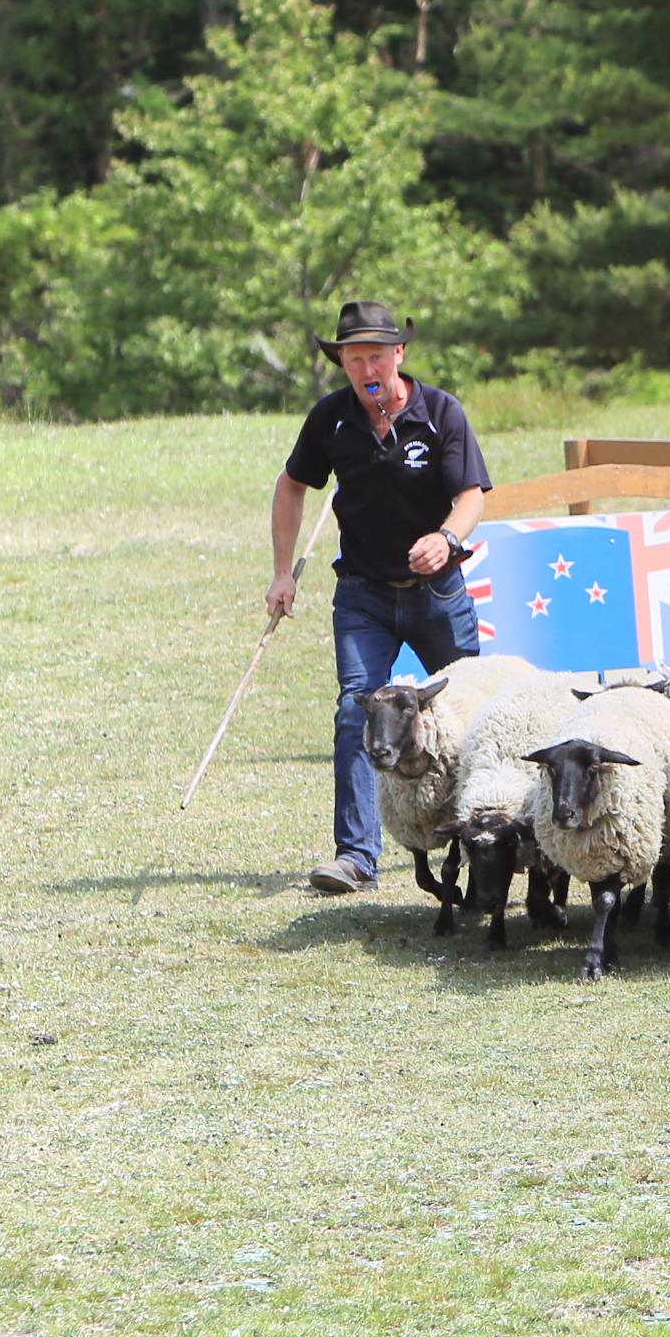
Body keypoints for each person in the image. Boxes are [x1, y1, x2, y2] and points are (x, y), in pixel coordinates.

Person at [268, 300, 491, 893]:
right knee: (354, 710)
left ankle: (478, 839)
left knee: (468, 711)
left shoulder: (441, 412)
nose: (365, 368)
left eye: (374, 355)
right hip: (363, 594)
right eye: (352, 357)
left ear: (399, 355)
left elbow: (472, 495)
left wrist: (446, 539)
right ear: (342, 362)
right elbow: (292, 485)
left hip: (437, 591)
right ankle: (356, 857)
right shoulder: (331, 419)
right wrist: (282, 571)